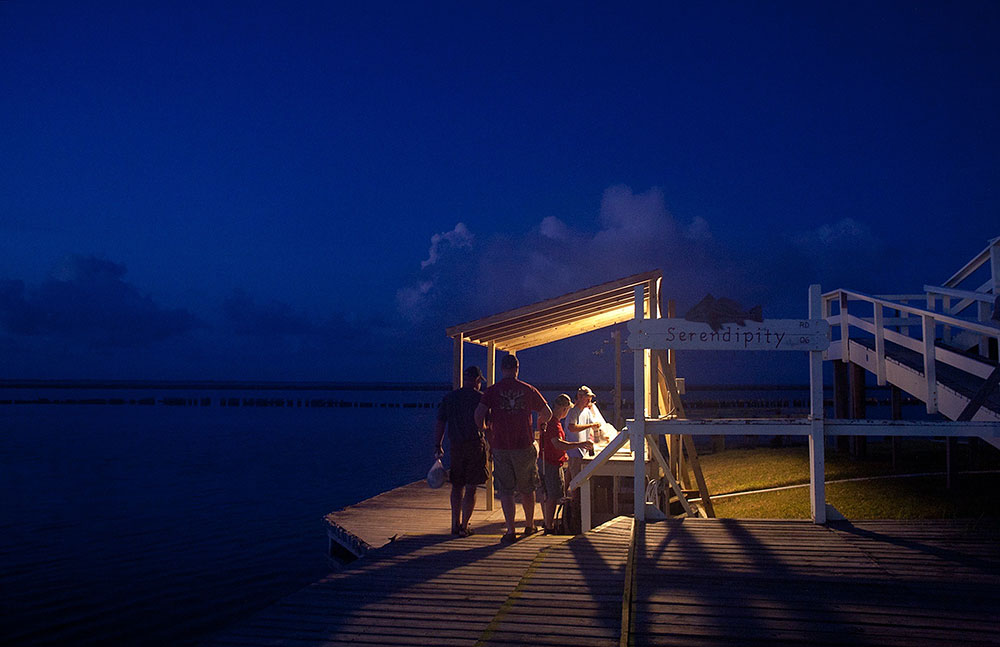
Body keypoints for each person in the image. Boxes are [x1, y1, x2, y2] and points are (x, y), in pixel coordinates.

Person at [475, 354, 551, 543]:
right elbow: (547, 412)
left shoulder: (492, 391)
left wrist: (485, 430)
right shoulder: (528, 389)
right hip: (523, 445)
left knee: (506, 490)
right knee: (527, 488)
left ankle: (510, 530)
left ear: (501, 369)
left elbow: (478, 414)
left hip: (500, 446)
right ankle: (529, 525)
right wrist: (541, 424)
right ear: (517, 368)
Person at [434, 365, 489, 537]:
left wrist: (438, 445)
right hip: (475, 446)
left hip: (456, 446)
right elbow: (488, 425)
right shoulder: (481, 399)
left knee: (457, 486)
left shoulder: (450, 398)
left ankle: (454, 524)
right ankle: (464, 526)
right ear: (478, 380)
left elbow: (441, 423)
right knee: (471, 488)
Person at [537, 393, 593, 534]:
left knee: (546, 493)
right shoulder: (554, 424)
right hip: (551, 462)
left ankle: (547, 522)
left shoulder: (548, 421)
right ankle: (549, 526)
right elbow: (558, 444)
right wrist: (579, 444)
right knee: (552, 496)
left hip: (547, 461)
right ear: (564, 409)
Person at [564, 385, 606, 483]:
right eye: (587, 399)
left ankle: (566, 494)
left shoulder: (587, 411)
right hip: (575, 451)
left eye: (590, 399)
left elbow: (594, 426)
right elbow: (572, 428)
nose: (589, 401)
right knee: (577, 480)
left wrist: (598, 430)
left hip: (584, 451)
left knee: (573, 476)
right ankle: (575, 498)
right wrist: (591, 425)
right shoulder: (573, 412)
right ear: (580, 397)